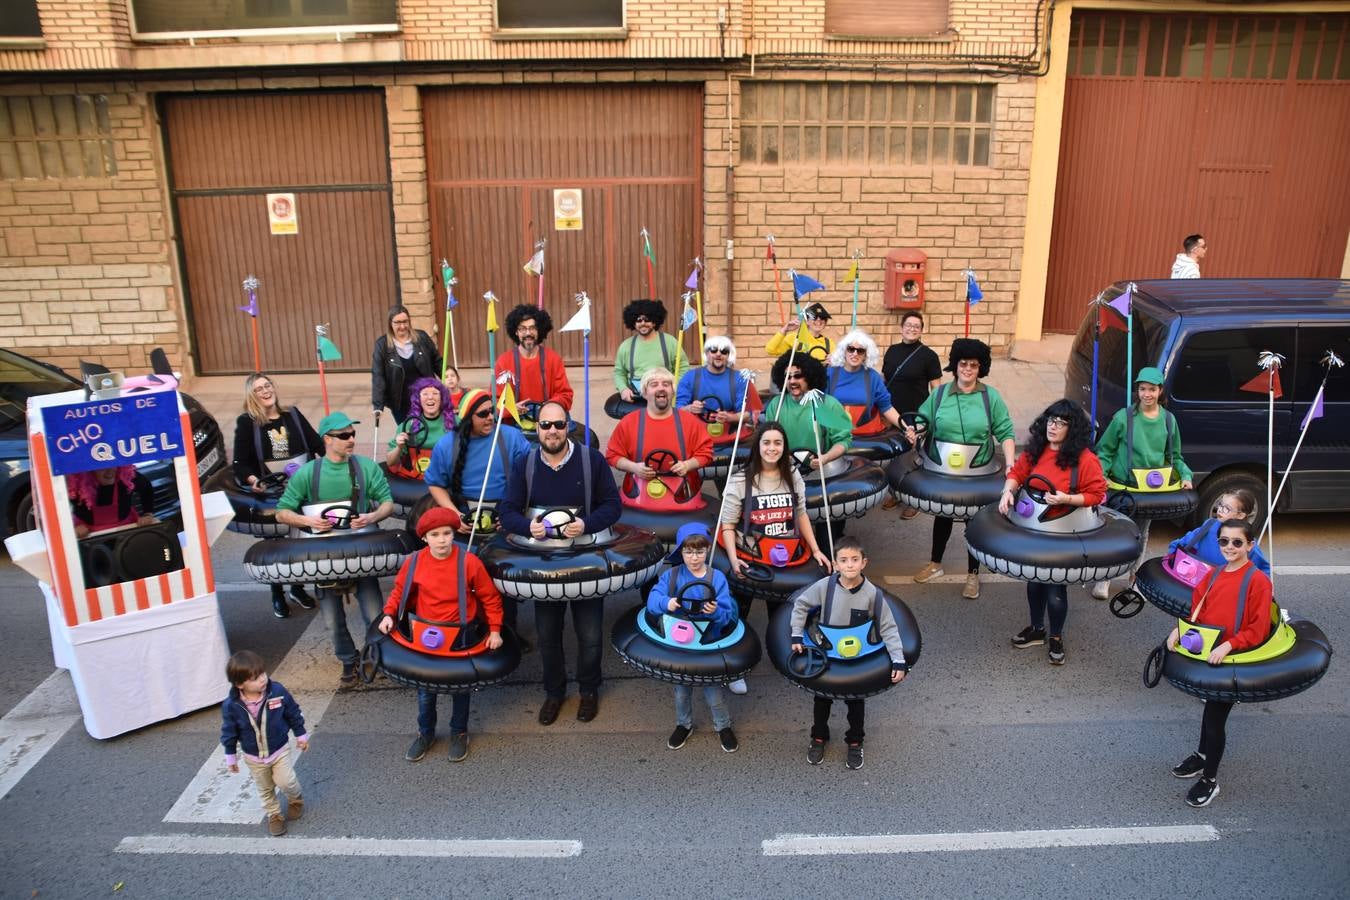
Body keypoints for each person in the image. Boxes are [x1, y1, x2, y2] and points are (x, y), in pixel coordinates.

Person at [499, 399, 623, 716]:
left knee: (590, 635)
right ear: (537, 429)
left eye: (558, 424)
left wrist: (587, 524)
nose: (552, 431)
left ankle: (588, 691)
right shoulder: (524, 464)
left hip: (584, 558)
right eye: (545, 425)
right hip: (544, 563)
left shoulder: (591, 460)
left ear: (568, 426)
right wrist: (529, 527)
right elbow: (507, 512)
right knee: (548, 636)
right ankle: (554, 693)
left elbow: (613, 505)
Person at [274, 411, 396, 689]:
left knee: (374, 611)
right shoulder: (308, 473)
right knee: (332, 619)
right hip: (324, 553)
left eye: (352, 434)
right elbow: (281, 512)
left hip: (361, 549)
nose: (351, 439)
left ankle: (376, 654)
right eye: (344, 436)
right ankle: (348, 659)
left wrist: (371, 517)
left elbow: (387, 502)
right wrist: (307, 521)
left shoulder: (366, 467)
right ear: (327, 440)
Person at [377, 506, 503, 764]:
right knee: (425, 690)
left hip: (460, 636)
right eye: (435, 535)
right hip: (424, 634)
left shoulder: (469, 562)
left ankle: (459, 732)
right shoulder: (414, 561)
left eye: (447, 533)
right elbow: (400, 592)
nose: (442, 539)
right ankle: (426, 733)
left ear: (453, 534)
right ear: (425, 538)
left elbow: (490, 598)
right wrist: (389, 614)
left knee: (460, 688)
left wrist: (495, 630)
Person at [1165, 518, 1272, 807]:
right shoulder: (1212, 575)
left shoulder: (1258, 581)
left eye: (1237, 542)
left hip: (1233, 658)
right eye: (1224, 541)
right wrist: (1180, 629)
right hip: (1208, 655)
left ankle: (1210, 780)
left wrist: (1229, 644)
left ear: (1250, 545)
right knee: (1210, 712)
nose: (1230, 547)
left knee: (1214, 717)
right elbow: (1198, 613)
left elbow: (1258, 629)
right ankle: (1202, 756)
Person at [718, 421, 831, 694]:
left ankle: (784, 658)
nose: (772, 448)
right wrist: (734, 561)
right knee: (739, 613)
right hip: (750, 556)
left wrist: (816, 550)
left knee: (781, 613)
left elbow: (801, 513)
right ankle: (734, 669)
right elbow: (728, 525)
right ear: (758, 446)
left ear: (784, 447)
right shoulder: (739, 480)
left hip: (786, 558)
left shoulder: (793, 475)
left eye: (777, 443)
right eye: (766, 442)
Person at [904, 338, 1016, 600]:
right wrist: (915, 431)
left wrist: (1011, 465)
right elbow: (923, 422)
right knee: (942, 516)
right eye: (963, 364)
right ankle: (935, 564)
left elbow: (1006, 432)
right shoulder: (940, 394)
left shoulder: (991, 397)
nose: (967, 369)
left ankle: (973, 574)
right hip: (943, 467)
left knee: (972, 521)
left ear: (981, 368)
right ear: (955, 365)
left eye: (974, 365)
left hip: (978, 469)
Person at [999, 400, 1108, 666]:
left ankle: (1056, 636)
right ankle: (1037, 629)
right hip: (1035, 527)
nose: (1053, 426)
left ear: (1072, 429)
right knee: (1034, 581)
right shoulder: (1037, 450)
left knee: (1054, 588)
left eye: (1060, 422)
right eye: (1050, 420)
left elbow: (1097, 494)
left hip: (1064, 532)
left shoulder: (1085, 460)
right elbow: (1018, 471)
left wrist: (1067, 500)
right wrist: (1007, 490)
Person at [791, 537, 907, 770]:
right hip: (827, 654)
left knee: (856, 704)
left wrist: (898, 659)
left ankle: (855, 741)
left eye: (855, 560)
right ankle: (819, 737)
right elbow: (801, 604)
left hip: (857, 659)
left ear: (864, 563)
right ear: (836, 564)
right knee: (821, 699)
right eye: (844, 560)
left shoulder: (873, 594)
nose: (850, 565)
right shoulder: (826, 586)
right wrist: (796, 634)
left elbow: (888, 627)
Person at [1091, 366, 1194, 600]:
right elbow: (1105, 451)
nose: (1146, 394)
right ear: (1137, 390)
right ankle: (1104, 577)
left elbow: (1175, 456)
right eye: (1142, 389)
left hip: (1151, 491)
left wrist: (1185, 476)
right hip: (1122, 486)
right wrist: (1102, 476)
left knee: (1142, 533)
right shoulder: (1123, 417)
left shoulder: (1169, 420)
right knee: (1113, 531)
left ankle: (1134, 578)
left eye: (1152, 389)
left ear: (1160, 391)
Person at [232, 373, 322, 618]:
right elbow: (240, 464)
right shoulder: (247, 423)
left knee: (300, 539)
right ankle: (277, 592)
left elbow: (316, 444)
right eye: (258, 389)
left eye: (267, 385)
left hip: (302, 487)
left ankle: (297, 587)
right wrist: (254, 481)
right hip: (273, 491)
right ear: (252, 396)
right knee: (277, 543)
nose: (265, 391)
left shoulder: (292, 415)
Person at [648, 523, 740, 753]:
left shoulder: (716, 578)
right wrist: (666, 602)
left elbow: (727, 615)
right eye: (688, 551)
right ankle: (684, 724)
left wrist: (715, 611)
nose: (694, 557)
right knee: (681, 691)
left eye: (699, 551)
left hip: (708, 641)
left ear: (707, 551)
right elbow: (652, 601)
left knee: (714, 691)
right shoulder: (671, 576)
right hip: (679, 642)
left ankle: (723, 726)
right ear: (681, 551)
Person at [220, 649, 308, 837]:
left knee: (287, 782)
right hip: (253, 757)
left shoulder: (276, 691)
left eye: (262, 673)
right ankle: (274, 815)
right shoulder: (231, 706)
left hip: (279, 749)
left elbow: (293, 712)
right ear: (239, 684)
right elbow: (229, 732)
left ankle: (296, 800)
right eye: (254, 678)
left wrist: (301, 735)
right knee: (265, 788)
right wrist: (231, 756)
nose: (262, 679)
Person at [424, 388, 531, 531]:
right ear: (468, 418)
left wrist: (514, 513)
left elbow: (529, 478)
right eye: (483, 414)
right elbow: (435, 484)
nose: (490, 417)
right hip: (463, 516)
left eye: (492, 410)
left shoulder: (513, 437)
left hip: (505, 513)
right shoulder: (445, 445)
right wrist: (454, 515)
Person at [606, 367, 714, 498]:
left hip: (683, 494)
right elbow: (613, 456)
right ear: (645, 393)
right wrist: (634, 468)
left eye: (666, 384)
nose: (661, 388)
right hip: (639, 495)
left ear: (672, 392)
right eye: (654, 384)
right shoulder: (629, 422)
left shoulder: (690, 421)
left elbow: (706, 453)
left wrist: (687, 465)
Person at [880, 311, 943, 516]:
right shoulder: (892, 350)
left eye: (917, 326)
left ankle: (912, 500)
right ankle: (896, 493)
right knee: (896, 455)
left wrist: (929, 418)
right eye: (909, 325)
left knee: (913, 456)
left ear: (922, 330)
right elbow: (883, 378)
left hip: (915, 414)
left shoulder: (928, 356)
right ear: (902, 327)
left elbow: (937, 391)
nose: (912, 329)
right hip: (891, 412)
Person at [763, 352, 853, 464]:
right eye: (788, 376)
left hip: (824, 471)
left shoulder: (829, 404)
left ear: (809, 377)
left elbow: (843, 441)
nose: (792, 381)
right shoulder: (776, 404)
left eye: (798, 376)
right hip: (786, 470)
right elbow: (768, 439)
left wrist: (825, 458)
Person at [495, 304, 574, 422]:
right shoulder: (503, 361)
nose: (528, 333)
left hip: (547, 422)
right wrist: (511, 409)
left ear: (539, 330)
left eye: (532, 328)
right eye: (522, 328)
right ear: (516, 332)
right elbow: (495, 401)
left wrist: (547, 407)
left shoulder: (553, 359)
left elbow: (565, 396)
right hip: (514, 425)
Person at [1168, 488, 1270, 575]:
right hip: (1198, 577)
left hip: (1224, 586)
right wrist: (1172, 552)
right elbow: (1186, 541)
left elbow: (1264, 570)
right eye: (1220, 505)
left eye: (1227, 508)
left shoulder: (1246, 540)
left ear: (1240, 515)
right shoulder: (1210, 524)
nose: (1220, 510)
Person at [676, 335, 761, 439]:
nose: (718, 354)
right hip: (697, 438)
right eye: (713, 350)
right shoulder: (690, 377)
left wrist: (730, 417)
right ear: (706, 353)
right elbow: (678, 410)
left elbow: (748, 414)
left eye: (724, 351)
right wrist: (690, 408)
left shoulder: (740, 379)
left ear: (729, 355)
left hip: (731, 439)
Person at [371, 304, 443, 424]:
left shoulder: (422, 338)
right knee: (407, 434)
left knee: (428, 430)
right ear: (390, 323)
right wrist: (378, 405)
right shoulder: (382, 345)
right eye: (398, 322)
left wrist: (448, 379)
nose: (402, 326)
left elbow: (437, 362)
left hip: (425, 397)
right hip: (400, 403)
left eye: (405, 321)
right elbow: (378, 376)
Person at [825, 328, 901, 435]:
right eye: (851, 349)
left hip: (864, 439)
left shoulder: (873, 377)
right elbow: (817, 406)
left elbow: (886, 407)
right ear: (844, 351)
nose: (855, 354)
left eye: (860, 351)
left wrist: (906, 428)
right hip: (833, 437)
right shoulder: (829, 374)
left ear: (866, 355)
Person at [613, 299, 689, 404]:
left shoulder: (670, 342)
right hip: (637, 397)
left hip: (664, 396)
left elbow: (683, 367)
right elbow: (619, 372)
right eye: (639, 320)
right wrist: (623, 389)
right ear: (633, 323)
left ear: (654, 322)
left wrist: (675, 386)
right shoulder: (626, 346)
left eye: (647, 319)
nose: (643, 323)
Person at [386, 376, 453, 480]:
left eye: (435, 393)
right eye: (425, 394)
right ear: (418, 399)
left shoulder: (455, 422)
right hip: (416, 480)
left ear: (442, 398)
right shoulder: (409, 424)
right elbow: (390, 461)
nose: (430, 397)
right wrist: (399, 447)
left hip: (446, 478)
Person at [68, 466, 156, 538]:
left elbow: (147, 488)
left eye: (113, 465)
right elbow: (59, 508)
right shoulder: (77, 482)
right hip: (88, 537)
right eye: (103, 467)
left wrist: (148, 514)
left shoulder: (126, 476)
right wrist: (72, 526)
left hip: (126, 532)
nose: (109, 472)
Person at [765, 301, 833, 361]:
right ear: (807, 321)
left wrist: (834, 360)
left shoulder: (829, 343)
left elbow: (840, 362)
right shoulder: (795, 338)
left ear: (825, 323)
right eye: (814, 317)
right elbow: (770, 350)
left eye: (822, 317)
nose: (819, 320)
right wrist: (784, 330)